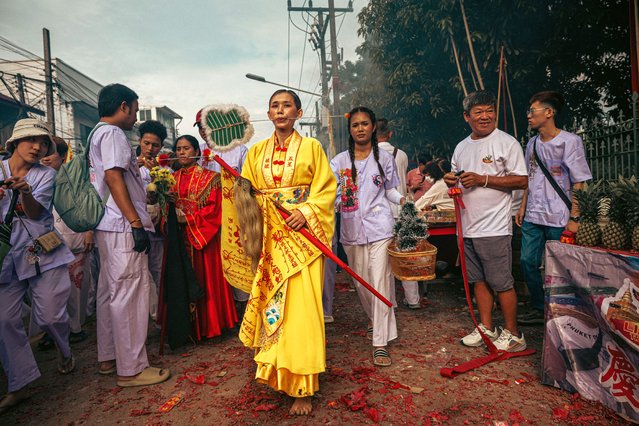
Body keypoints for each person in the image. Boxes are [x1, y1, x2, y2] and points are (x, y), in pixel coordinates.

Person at [235, 89, 336, 415]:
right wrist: (238, 186)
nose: (281, 111)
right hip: (270, 241)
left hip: (304, 240)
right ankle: (276, 370)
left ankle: (303, 386)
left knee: (304, 311)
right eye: (275, 106)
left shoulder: (312, 147)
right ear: (269, 113)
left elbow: (326, 189)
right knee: (273, 307)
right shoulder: (256, 152)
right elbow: (245, 192)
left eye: (287, 106)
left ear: (298, 111)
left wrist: (305, 211)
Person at [89, 83, 170, 386]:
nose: (135, 118)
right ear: (123, 106)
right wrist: (136, 222)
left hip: (109, 225)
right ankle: (132, 368)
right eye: (135, 111)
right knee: (129, 295)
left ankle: (109, 357)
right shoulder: (112, 134)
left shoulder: (97, 133)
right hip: (122, 226)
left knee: (111, 292)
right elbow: (113, 177)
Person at [0, 118, 76, 414]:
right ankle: (19, 384)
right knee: (4, 320)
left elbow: (35, 215)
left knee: (50, 316)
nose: (37, 146)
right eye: (30, 139)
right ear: (14, 144)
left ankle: (65, 351)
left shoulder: (46, 175)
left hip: (44, 251)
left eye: (42, 142)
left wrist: (25, 192)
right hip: (6, 256)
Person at [443, 90, 528, 352]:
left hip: (494, 226)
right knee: (478, 280)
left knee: (501, 281)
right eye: (478, 112)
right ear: (467, 117)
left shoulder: (507, 143)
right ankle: (486, 327)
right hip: (468, 226)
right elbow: (457, 177)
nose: (485, 116)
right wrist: (451, 181)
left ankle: (514, 334)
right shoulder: (461, 147)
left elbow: (522, 180)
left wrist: (484, 179)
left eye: (489, 110)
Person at [330, 106, 404, 367]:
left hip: (380, 228)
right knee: (361, 283)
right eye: (355, 125)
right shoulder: (338, 162)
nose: (360, 128)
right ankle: (375, 320)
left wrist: (404, 200)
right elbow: (332, 195)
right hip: (351, 231)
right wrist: (336, 203)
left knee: (380, 280)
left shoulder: (384, 159)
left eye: (365, 124)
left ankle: (380, 343)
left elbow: (390, 191)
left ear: (373, 127)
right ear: (350, 130)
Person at [515, 91, 592, 325]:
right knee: (527, 261)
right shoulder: (532, 143)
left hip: (559, 215)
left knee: (560, 266)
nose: (528, 116)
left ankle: (562, 310)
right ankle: (539, 307)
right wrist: (522, 206)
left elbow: (579, 181)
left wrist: (575, 217)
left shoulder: (570, 141)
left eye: (533, 111)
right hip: (533, 214)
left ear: (549, 113)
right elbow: (530, 175)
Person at [170, 134, 238, 339]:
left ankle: (211, 326)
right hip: (179, 241)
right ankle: (187, 328)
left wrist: (187, 220)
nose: (182, 152)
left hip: (203, 240)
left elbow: (215, 210)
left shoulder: (211, 178)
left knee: (206, 280)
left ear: (197, 152)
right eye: (179, 148)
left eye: (187, 148)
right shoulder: (170, 179)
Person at [194, 109, 250, 314]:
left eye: (207, 126)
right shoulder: (196, 151)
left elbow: (248, 183)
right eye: (200, 127)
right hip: (206, 219)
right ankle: (219, 311)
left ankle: (243, 307)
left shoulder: (239, 150)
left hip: (233, 216)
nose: (203, 131)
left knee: (238, 257)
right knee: (213, 264)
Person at [43, 136, 92, 344]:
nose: (45, 158)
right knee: (50, 289)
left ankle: (74, 327)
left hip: (74, 237)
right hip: (46, 241)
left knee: (74, 286)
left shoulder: (76, 178)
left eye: (50, 153)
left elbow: (88, 205)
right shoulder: (34, 177)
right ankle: (50, 330)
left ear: (63, 156)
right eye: (43, 154)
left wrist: (89, 230)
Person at [376, 119, 421, 309]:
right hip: (401, 210)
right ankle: (413, 300)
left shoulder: (370, 155)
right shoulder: (401, 155)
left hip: (380, 213)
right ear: (390, 134)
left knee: (383, 262)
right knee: (405, 257)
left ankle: (390, 302)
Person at [137, 120, 169, 321]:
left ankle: (160, 317)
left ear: (161, 147)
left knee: (157, 272)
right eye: (146, 143)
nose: (150, 149)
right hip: (136, 228)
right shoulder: (128, 166)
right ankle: (142, 317)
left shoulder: (165, 171)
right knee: (139, 276)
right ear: (139, 141)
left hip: (157, 231)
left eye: (155, 145)